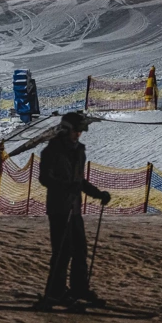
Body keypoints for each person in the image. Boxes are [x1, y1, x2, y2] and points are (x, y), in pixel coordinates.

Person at [37, 112, 111, 309]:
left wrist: (98, 194)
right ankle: (55, 292)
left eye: (80, 131)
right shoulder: (51, 151)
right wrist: (64, 187)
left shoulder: (78, 151)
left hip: (75, 208)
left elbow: (79, 181)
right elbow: (45, 178)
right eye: (76, 131)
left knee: (80, 250)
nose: (78, 134)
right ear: (66, 130)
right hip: (59, 209)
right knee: (62, 251)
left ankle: (79, 288)